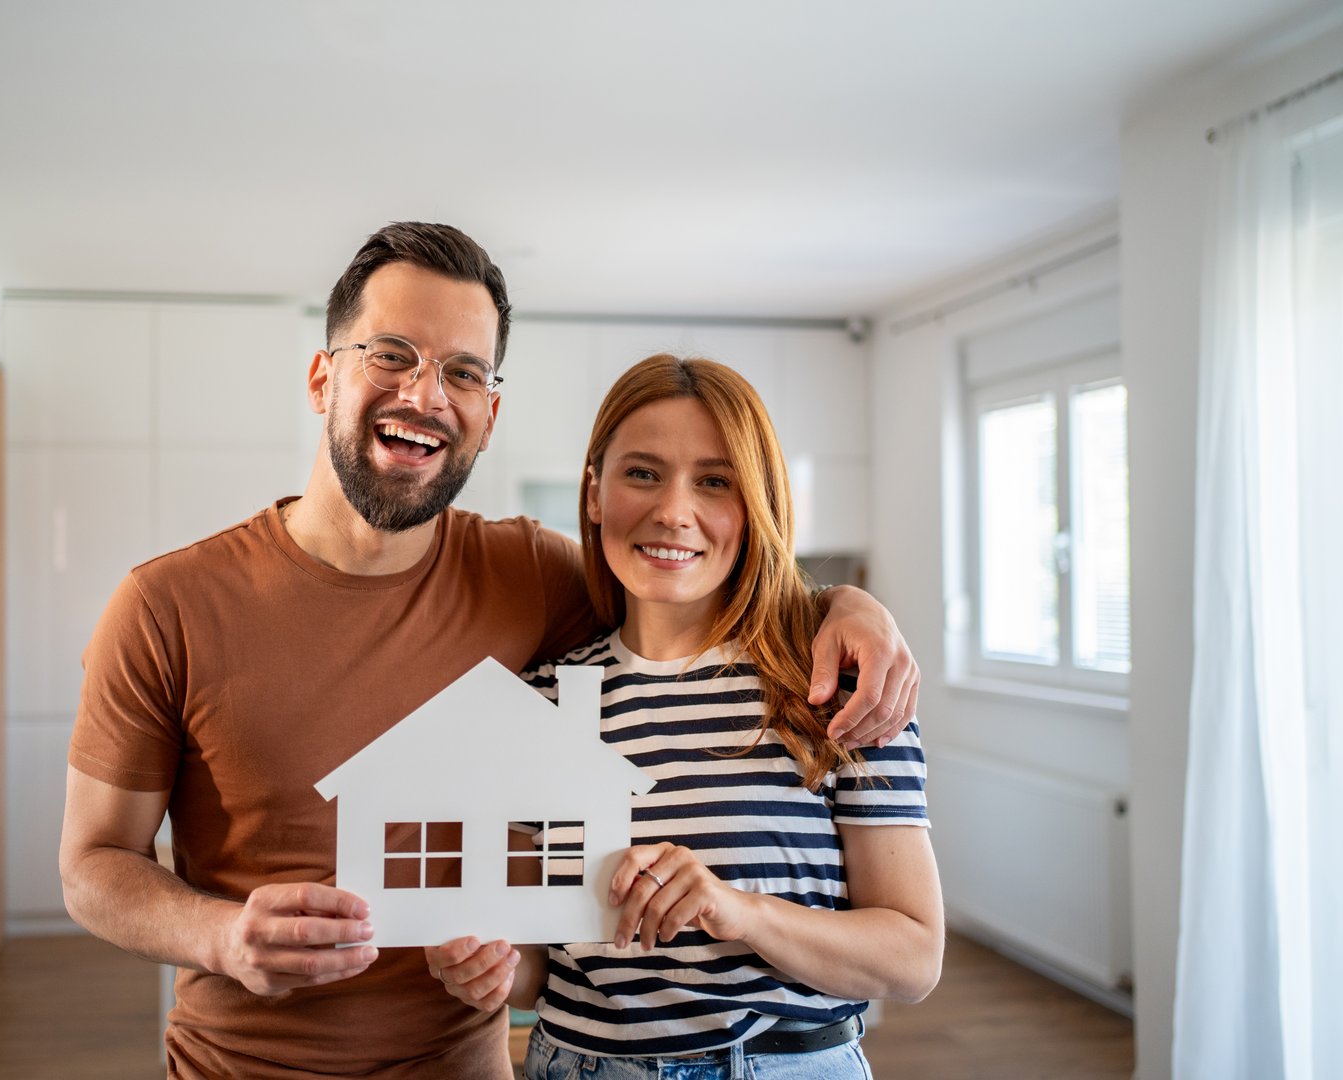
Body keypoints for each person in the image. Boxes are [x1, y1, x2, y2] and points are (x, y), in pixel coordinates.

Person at [59, 222, 922, 1080]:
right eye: (391, 353)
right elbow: (93, 866)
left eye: (462, 371)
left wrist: (845, 605)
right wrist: (220, 936)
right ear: (324, 376)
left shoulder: (535, 579)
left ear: (489, 412)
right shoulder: (165, 605)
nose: (426, 394)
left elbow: (693, 583)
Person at [425, 355, 944, 1078]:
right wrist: (489, 968)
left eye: (714, 481)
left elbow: (914, 958)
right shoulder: (538, 703)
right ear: (595, 493)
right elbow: (546, 970)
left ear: (755, 504)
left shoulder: (840, 686)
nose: (673, 510)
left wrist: (739, 911)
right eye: (641, 473)